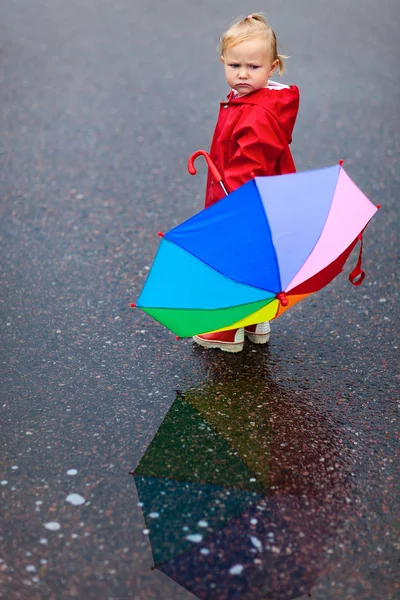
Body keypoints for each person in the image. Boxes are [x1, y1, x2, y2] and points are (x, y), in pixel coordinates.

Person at [193, 13, 299, 353]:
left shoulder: (257, 112)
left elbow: (250, 165)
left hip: (242, 200)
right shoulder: (249, 100)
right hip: (255, 200)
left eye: (253, 67)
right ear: (223, 61)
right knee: (256, 258)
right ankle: (256, 320)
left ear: (273, 68)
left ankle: (227, 330)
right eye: (235, 64)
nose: (242, 73)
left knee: (231, 256)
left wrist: (229, 203)